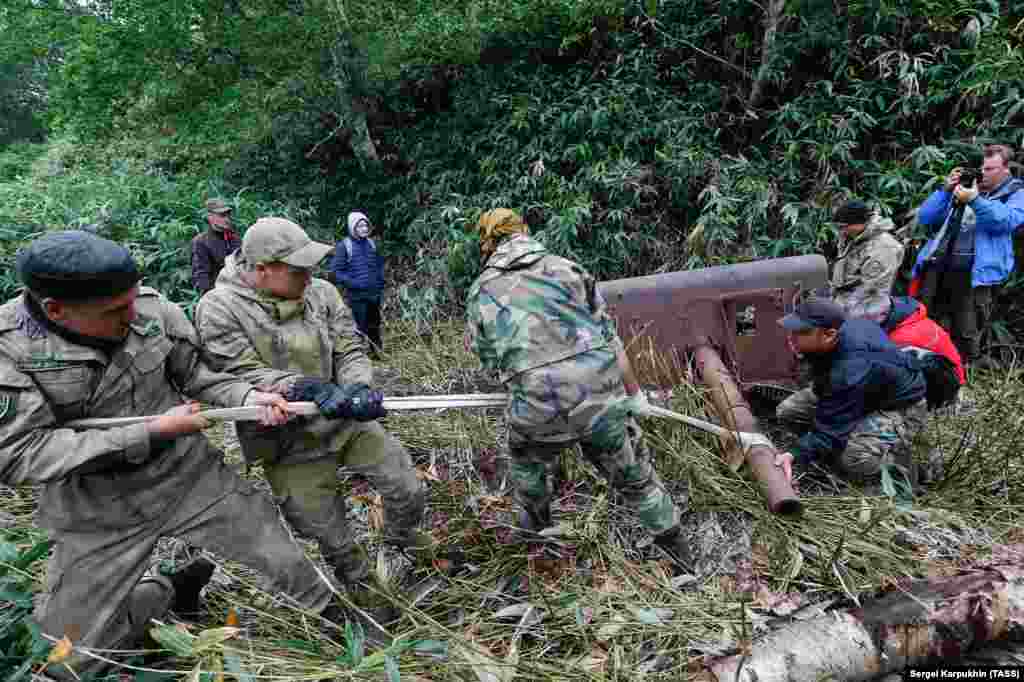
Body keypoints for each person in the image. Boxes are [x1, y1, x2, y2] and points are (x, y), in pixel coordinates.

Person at [0, 231, 353, 681]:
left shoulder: (149, 309)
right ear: (56, 310)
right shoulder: (9, 349)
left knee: (284, 561)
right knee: (69, 664)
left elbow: (200, 376)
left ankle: (348, 629)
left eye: (131, 301)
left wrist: (249, 395)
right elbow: (17, 454)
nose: (132, 316)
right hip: (97, 507)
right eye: (113, 311)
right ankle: (168, 588)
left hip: (188, 476)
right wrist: (150, 431)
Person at [195, 217, 429, 601]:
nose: (309, 276)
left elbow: (349, 347)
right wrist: (300, 386)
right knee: (326, 529)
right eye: (297, 269)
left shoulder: (320, 292)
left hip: (342, 418)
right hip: (285, 438)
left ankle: (399, 542)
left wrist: (357, 385)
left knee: (406, 486)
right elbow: (237, 372)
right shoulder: (219, 308)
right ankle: (362, 586)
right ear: (262, 270)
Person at [463, 209, 692, 570]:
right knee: (636, 478)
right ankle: (678, 553)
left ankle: (537, 532)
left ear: (487, 242)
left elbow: (490, 362)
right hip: (600, 398)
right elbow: (611, 339)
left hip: (538, 406)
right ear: (524, 232)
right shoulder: (567, 268)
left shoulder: (481, 290)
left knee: (527, 461)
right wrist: (634, 395)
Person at [773, 299, 928, 484]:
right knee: (789, 411)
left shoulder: (849, 371)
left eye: (802, 332)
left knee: (854, 458)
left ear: (829, 334)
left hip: (900, 405)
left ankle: (909, 469)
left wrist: (795, 454)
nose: (792, 337)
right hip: (865, 391)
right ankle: (827, 456)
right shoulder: (846, 327)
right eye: (793, 330)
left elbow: (830, 430)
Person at [911, 145, 1024, 366]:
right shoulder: (965, 190)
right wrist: (945, 190)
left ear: (1006, 170)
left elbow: (1005, 221)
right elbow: (925, 218)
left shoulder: (1017, 194)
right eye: (983, 167)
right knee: (928, 320)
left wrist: (975, 200)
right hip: (939, 265)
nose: (983, 173)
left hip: (975, 273)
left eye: (990, 169)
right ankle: (927, 369)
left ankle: (965, 377)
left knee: (967, 331)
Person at [829, 199, 904, 323]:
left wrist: (842, 316)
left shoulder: (883, 248)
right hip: (844, 299)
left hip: (865, 309)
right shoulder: (853, 236)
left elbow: (870, 289)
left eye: (843, 227)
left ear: (860, 222)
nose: (841, 231)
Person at [328, 211, 385, 358]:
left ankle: (377, 353)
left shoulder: (371, 243)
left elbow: (378, 265)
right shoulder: (345, 246)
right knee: (360, 327)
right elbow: (335, 271)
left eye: (365, 225)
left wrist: (380, 281)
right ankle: (359, 357)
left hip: (374, 293)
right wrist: (354, 283)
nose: (364, 229)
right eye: (360, 226)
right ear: (353, 228)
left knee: (374, 325)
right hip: (358, 295)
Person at [191, 198, 241, 295]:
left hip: (239, 293)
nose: (227, 219)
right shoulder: (201, 242)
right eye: (222, 216)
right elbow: (201, 277)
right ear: (210, 217)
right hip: (217, 297)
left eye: (228, 215)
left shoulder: (235, 239)